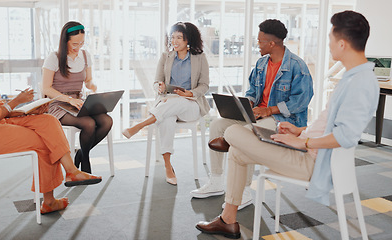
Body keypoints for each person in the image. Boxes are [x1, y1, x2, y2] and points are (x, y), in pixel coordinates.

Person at [195, 10, 379, 239]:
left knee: (233, 132)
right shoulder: (352, 78)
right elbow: (332, 126)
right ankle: (228, 221)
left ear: (342, 43)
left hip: (310, 161)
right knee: (237, 154)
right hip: (306, 147)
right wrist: (300, 131)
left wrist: (303, 142)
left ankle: (229, 148)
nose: (328, 44)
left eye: (330, 38)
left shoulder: (359, 83)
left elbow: (346, 136)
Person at [0, 26, 103, 215]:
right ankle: (50, 200)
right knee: (46, 143)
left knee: (47, 120)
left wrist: (25, 111)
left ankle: (71, 171)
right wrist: (15, 103)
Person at [191, 19, 314, 210]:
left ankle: (245, 191)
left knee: (245, 134)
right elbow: (252, 92)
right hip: (258, 115)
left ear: (272, 44)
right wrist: (247, 102)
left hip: (282, 120)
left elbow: (301, 101)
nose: (257, 45)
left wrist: (270, 110)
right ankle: (215, 181)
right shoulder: (261, 63)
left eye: (260, 41)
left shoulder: (297, 66)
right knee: (217, 124)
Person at [122, 22, 210, 185]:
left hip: (191, 104)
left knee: (175, 105)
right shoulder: (166, 57)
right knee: (167, 118)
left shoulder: (199, 57)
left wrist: (190, 93)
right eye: (172, 37)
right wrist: (160, 87)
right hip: (168, 101)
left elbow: (204, 85)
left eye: (179, 38)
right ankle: (168, 167)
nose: (174, 41)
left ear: (188, 39)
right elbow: (156, 82)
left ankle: (140, 125)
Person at [42, 21, 112, 174]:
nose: (78, 46)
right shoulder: (54, 58)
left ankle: (81, 153)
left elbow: (88, 81)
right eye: (75, 43)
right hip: (57, 104)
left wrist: (92, 86)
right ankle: (85, 160)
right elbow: (46, 88)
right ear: (65, 40)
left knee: (107, 121)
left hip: (78, 102)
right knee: (88, 123)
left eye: (82, 42)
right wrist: (69, 100)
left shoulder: (85, 56)